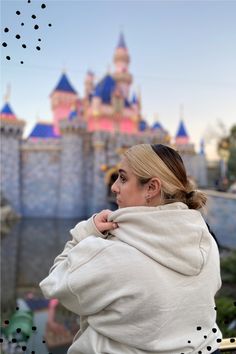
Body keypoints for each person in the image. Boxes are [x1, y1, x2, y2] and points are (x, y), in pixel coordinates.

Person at [40, 143, 222, 354]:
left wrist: (86, 232)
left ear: (152, 188)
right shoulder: (207, 242)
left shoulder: (111, 253)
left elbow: (54, 283)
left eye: (123, 178)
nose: (114, 187)